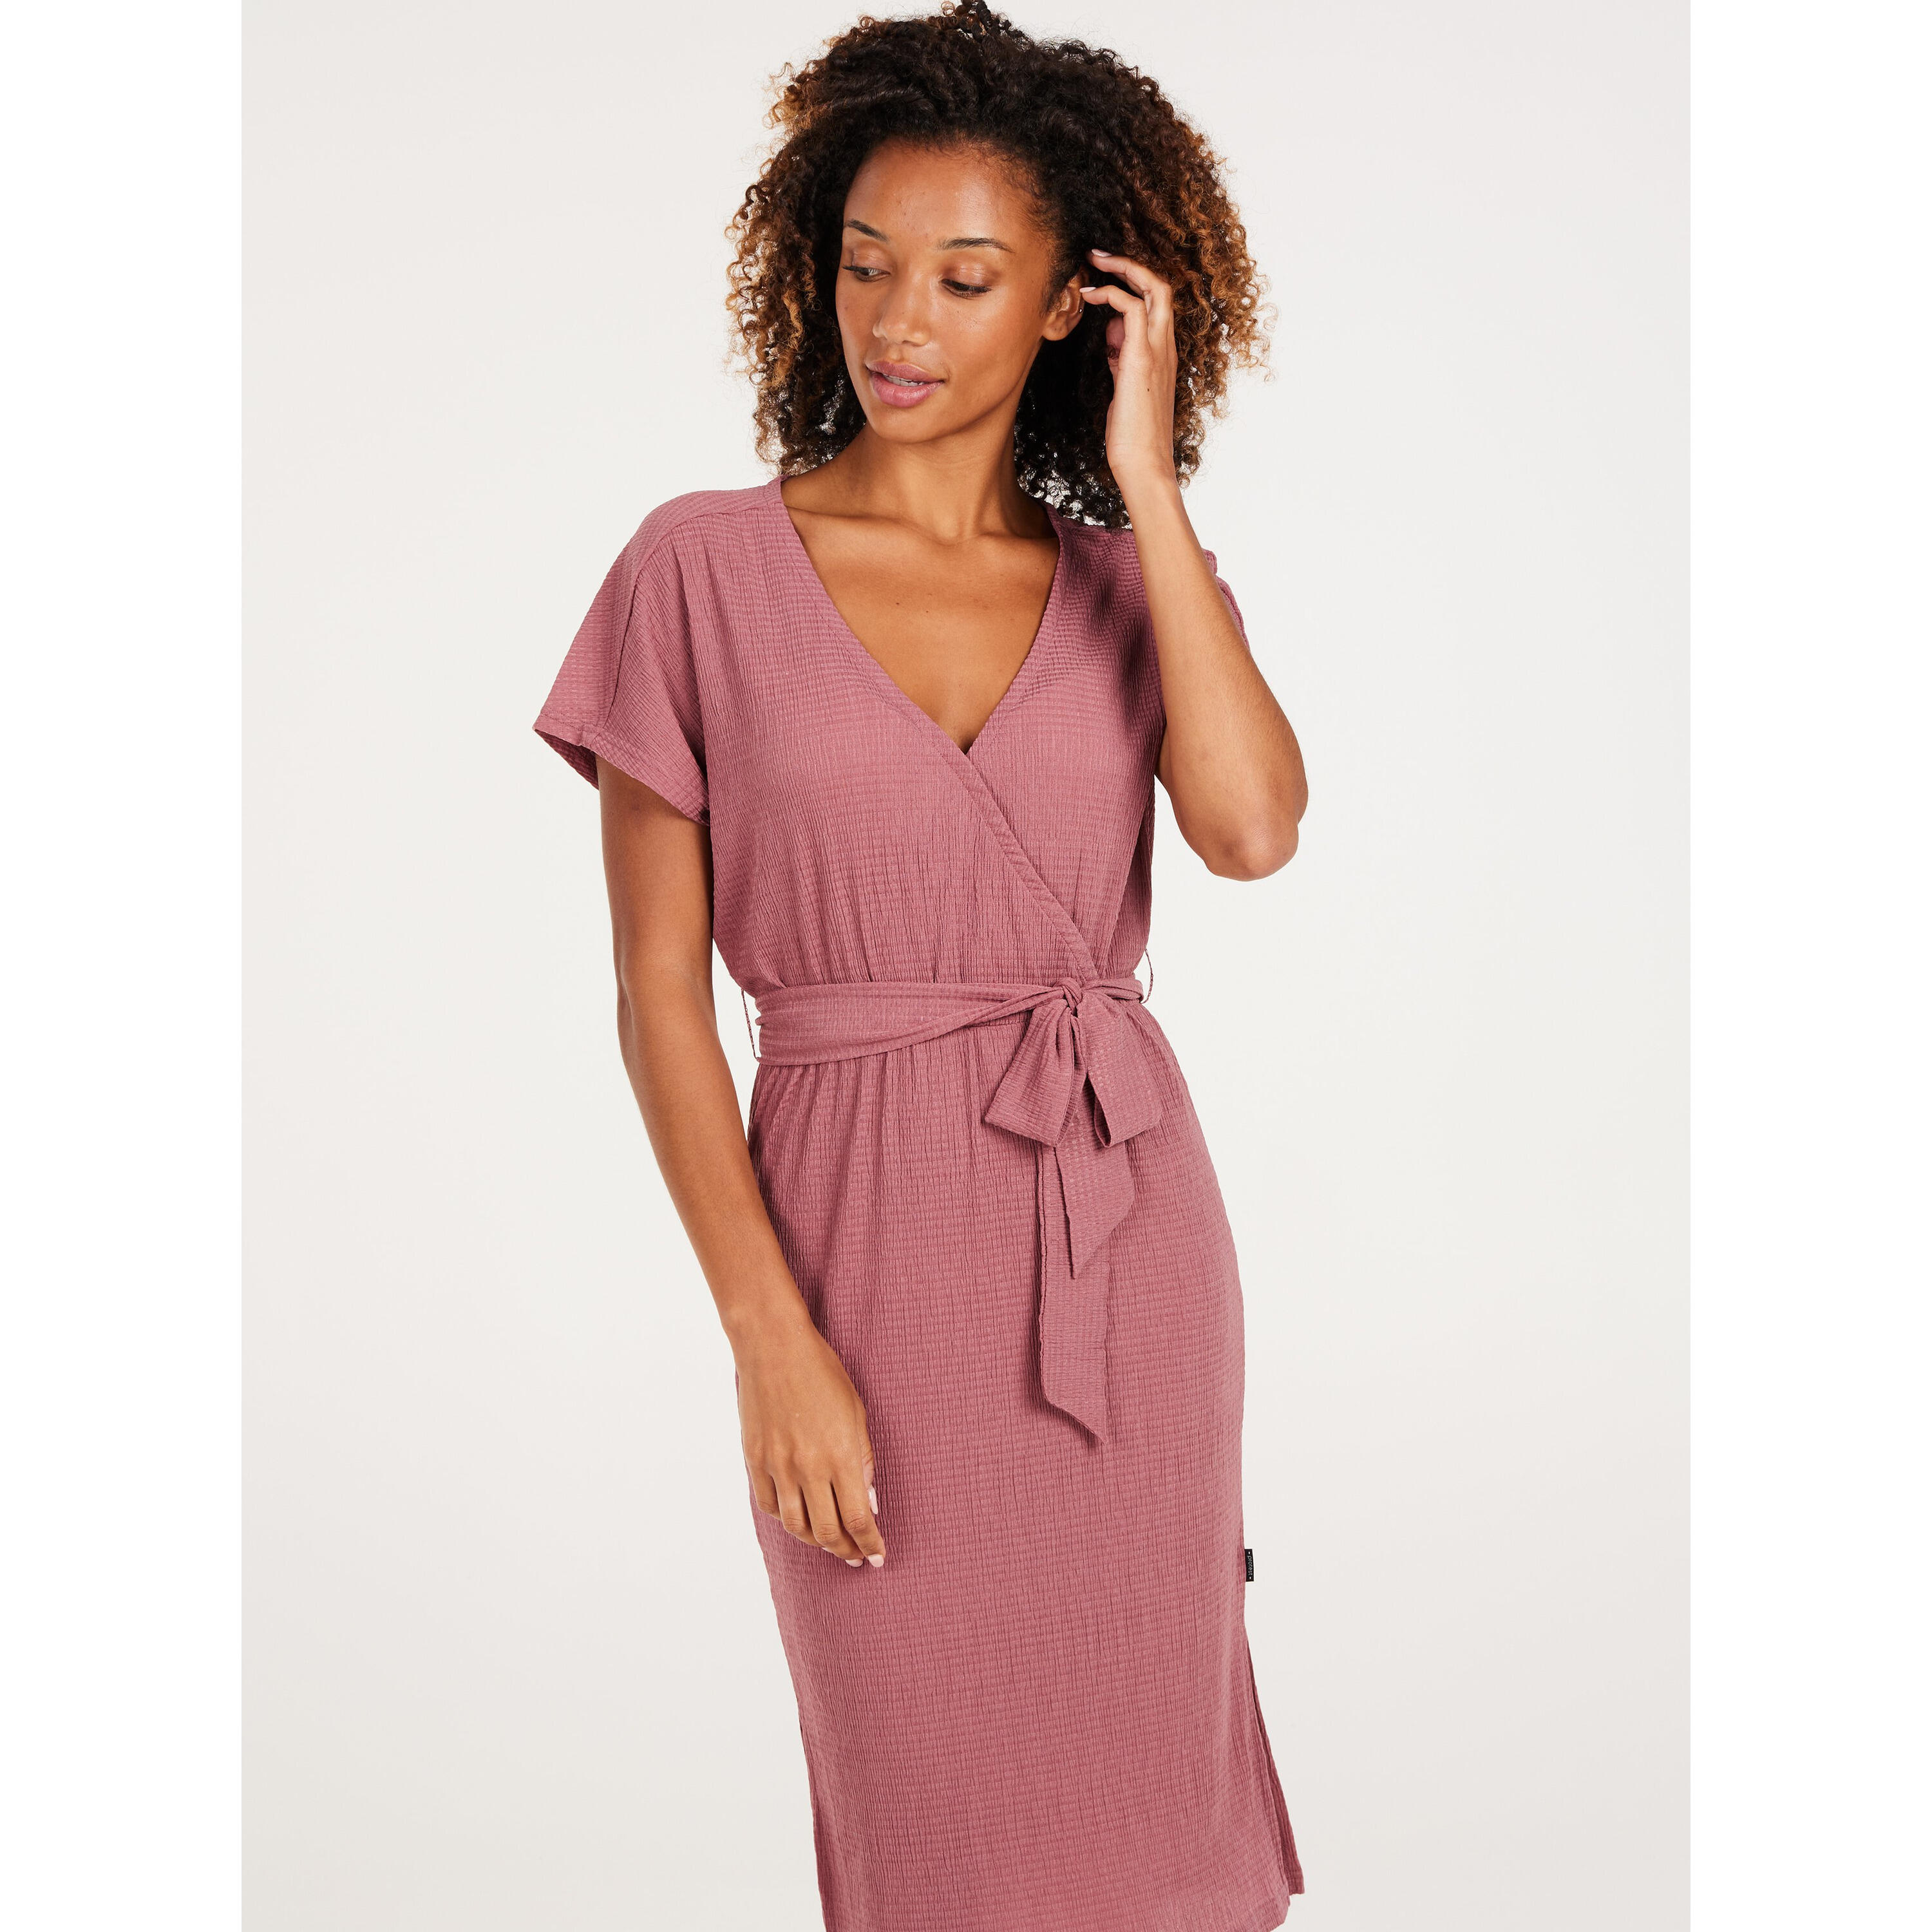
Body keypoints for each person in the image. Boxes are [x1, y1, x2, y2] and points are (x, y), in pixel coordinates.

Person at [533, 3, 1309, 1925]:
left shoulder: (1130, 584)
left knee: (1153, 1827)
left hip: (1125, 1252)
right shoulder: (698, 569)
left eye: (965, 280)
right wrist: (769, 1338)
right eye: (866, 263)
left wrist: (1150, 487)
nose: (898, 320)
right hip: (858, 1253)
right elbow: (657, 998)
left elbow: (1249, 830)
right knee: (928, 1832)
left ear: (1068, 308)